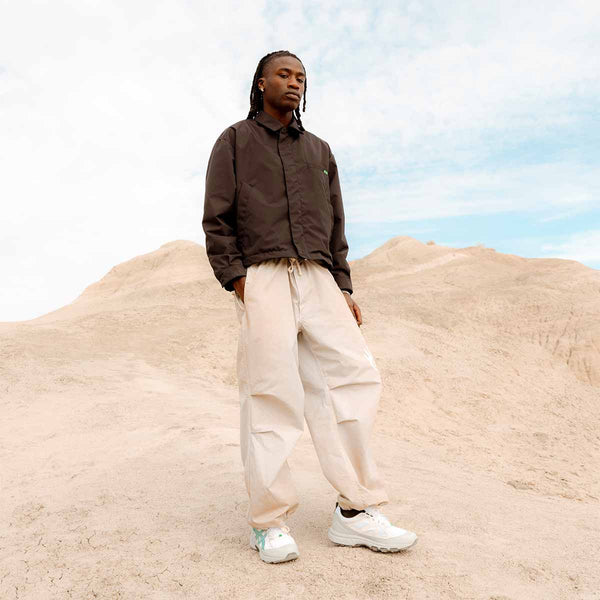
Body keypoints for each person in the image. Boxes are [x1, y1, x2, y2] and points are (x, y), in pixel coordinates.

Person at [202, 50, 417, 563]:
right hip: (264, 275)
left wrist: (342, 285)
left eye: (301, 76)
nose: (294, 82)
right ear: (261, 83)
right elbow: (217, 216)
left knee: (353, 379)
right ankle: (269, 522)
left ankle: (355, 510)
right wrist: (238, 279)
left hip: (320, 277)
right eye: (284, 74)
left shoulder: (319, 150)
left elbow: (336, 222)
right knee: (270, 392)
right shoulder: (234, 140)